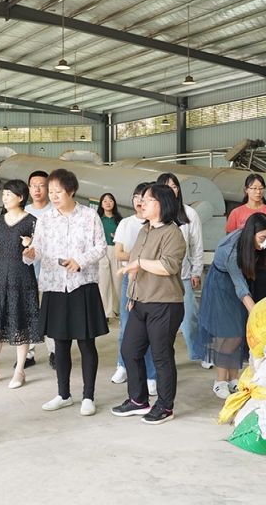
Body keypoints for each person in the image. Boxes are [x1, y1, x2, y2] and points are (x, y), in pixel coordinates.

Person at [22, 168, 108, 417]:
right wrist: (30, 254)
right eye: (51, 192)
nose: (53, 196)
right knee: (60, 344)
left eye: (58, 191)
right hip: (55, 286)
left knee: (86, 343)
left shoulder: (89, 216)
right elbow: (38, 249)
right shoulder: (45, 219)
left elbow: (101, 247)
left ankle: (88, 396)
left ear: (71, 191)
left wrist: (80, 260)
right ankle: (64, 394)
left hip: (82, 286)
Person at [112, 183, 186, 425]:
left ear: (162, 204)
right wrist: (131, 296)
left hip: (164, 303)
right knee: (130, 350)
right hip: (140, 302)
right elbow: (135, 266)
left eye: (147, 200)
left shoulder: (172, 233)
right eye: (141, 199)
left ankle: (165, 406)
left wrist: (140, 263)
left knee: (161, 356)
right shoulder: (144, 230)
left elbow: (168, 266)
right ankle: (138, 400)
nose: (141, 203)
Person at [194, 212, 266, 400]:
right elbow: (240, 286)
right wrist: (256, 313)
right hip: (222, 285)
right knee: (233, 335)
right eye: (262, 238)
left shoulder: (252, 242)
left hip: (240, 282)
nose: (265, 243)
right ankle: (220, 381)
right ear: (251, 233)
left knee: (240, 331)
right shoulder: (232, 250)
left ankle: (233, 379)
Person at [0, 179, 42, 389]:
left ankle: (19, 371)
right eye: (4, 194)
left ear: (20, 197)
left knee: (20, 324)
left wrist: (30, 245)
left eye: (9, 194)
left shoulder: (32, 222)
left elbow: (40, 251)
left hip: (22, 277)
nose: (4, 198)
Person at [110, 182, 158, 398]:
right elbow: (118, 254)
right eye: (137, 196)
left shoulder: (157, 225)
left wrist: (137, 257)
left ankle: (151, 376)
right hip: (129, 278)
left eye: (144, 197)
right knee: (126, 326)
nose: (140, 201)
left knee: (150, 332)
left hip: (152, 281)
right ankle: (122, 365)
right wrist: (141, 257)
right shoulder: (126, 223)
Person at [156, 173, 205, 366]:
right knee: (161, 322)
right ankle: (163, 359)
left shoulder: (189, 213)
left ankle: (198, 352)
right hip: (158, 277)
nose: (172, 190)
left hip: (183, 275)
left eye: (175, 186)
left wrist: (196, 272)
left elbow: (196, 245)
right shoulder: (155, 213)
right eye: (167, 186)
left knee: (189, 317)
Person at [24, 170, 55, 370]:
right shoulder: (23, 212)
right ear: (28, 189)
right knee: (29, 311)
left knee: (51, 312)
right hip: (28, 271)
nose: (37, 189)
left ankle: (54, 352)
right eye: (33, 185)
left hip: (52, 272)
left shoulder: (55, 211)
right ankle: (29, 353)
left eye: (41, 185)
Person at [97, 193, 122, 320]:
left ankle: (118, 310)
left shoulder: (119, 220)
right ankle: (105, 313)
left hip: (115, 250)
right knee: (104, 283)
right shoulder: (98, 219)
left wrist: (117, 236)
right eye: (105, 201)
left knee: (118, 282)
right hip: (102, 251)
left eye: (110, 200)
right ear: (101, 204)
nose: (108, 203)